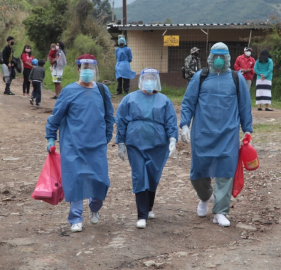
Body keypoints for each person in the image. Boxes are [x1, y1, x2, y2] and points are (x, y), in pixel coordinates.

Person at [179, 42, 253, 227]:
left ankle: (220, 211)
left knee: (225, 172)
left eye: (222, 56)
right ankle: (205, 197)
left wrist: (248, 129)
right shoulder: (200, 77)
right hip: (202, 133)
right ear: (211, 57)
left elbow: (245, 106)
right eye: (216, 56)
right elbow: (188, 102)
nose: (219, 60)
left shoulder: (236, 79)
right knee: (198, 173)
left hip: (228, 134)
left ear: (227, 58)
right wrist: (185, 125)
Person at [45, 54, 115, 233]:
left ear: (95, 70)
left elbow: (108, 116)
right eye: (84, 68)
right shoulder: (68, 91)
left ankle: (95, 207)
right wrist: (51, 137)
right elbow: (56, 116)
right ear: (78, 69)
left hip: (97, 145)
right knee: (75, 180)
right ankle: (75, 217)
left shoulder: (101, 90)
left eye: (91, 68)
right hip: (73, 145)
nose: (87, 71)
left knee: (101, 181)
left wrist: (107, 136)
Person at [116, 68, 178, 229]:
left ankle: (149, 207)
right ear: (141, 81)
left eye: (152, 78)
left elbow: (170, 121)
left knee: (152, 176)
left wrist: (172, 139)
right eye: (146, 78)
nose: (149, 81)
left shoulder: (164, 100)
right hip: (135, 143)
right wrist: (121, 143)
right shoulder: (130, 99)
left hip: (158, 144)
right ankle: (141, 215)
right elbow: (121, 120)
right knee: (139, 176)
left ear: (157, 81)